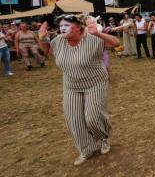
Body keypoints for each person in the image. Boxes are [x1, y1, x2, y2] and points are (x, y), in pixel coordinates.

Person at [38, 14, 120, 166]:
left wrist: (98, 33)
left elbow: (116, 43)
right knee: (74, 120)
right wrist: (42, 39)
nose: (62, 28)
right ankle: (87, 149)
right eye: (60, 25)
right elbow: (48, 52)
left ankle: (103, 138)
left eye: (66, 25)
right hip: (71, 86)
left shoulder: (92, 38)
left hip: (95, 83)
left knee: (93, 116)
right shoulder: (58, 41)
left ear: (78, 27)